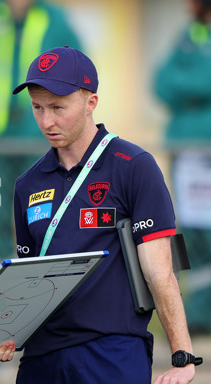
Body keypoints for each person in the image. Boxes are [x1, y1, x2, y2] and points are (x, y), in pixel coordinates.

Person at [0, 46, 201, 383]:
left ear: (90, 102)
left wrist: (182, 356)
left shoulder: (134, 166)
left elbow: (161, 272)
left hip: (112, 350)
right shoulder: (27, 184)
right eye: (37, 108)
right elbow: (28, 278)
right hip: (42, 356)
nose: (46, 121)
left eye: (58, 107)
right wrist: (9, 330)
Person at [0, 0, 81, 263]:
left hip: (39, 136)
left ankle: (43, 264)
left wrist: (60, 115)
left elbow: (78, 72)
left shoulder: (55, 20)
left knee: (43, 206)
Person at [153, 0, 211, 336]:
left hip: (205, 149)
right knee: (192, 233)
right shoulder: (188, 35)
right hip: (186, 153)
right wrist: (197, 88)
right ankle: (200, 313)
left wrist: (189, 87)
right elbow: (161, 83)